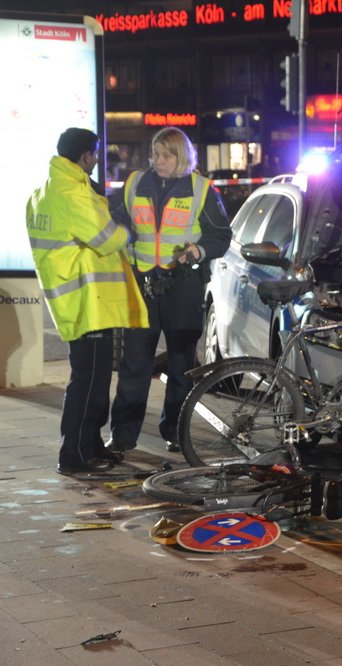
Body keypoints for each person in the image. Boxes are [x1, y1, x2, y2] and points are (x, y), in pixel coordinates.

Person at [25, 128, 149, 475]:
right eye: (95, 154)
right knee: (89, 382)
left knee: (92, 379)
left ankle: (91, 445)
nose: (96, 160)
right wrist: (126, 227)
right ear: (85, 156)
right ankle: (75, 455)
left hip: (79, 299)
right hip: (87, 302)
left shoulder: (44, 193)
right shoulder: (71, 194)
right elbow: (107, 240)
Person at [106, 127, 231, 456]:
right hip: (143, 284)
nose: (158, 160)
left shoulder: (202, 190)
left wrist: (198, 251)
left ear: (182, 158)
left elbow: (221, 237)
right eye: (155, 153)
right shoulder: (135, 183)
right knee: (134, 363)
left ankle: (176, 432)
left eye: (166, 155)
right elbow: (115, 219)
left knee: (181, 366)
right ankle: (122, 435)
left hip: (184, 287)